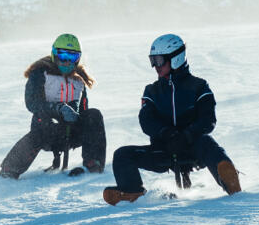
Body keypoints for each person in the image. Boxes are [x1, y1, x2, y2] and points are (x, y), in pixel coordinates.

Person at [103, 34, 241, 205]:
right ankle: (132, 192)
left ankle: (230, 181)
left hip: (193, 147)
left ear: (175, 58)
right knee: (122, 155)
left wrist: (187, 135)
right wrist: (166, 133)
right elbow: (146, 121)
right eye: (152, 60)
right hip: (164, 150)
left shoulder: (199, 86)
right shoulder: (152, 91)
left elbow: (208, 119)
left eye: (159, 60)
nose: (155, 66)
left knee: (207, 143)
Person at [0, 34, 105, 179]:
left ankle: (93, 163)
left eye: (72, 57)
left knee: (94, 115)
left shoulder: (79, 80)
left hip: (71, 132)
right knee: (38, 131)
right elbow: (32, 102)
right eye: (62, 56)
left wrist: (76, 115)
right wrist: (58, 109)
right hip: (47, 130)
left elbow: (84, 110)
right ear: (54, 54)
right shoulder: (40, 73)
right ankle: (9, 169)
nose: (67, 62)